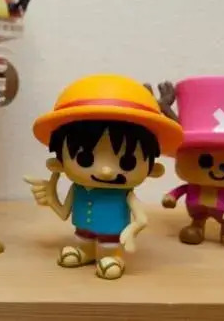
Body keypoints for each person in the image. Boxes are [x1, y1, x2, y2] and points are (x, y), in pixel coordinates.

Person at [25, 74, 183, 279]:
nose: (106, 171)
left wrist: (131, 231)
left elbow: (142, 219)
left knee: (108, 253)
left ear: (154, 169)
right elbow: (64, 213)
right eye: (85, 159)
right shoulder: (78, 188)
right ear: (58, 163)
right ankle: (85, 253)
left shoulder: (125, 194)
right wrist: (50, 197)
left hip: (112, 240)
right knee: (82, 243)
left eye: (127, 162)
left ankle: (114, 258)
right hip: (82, 235)